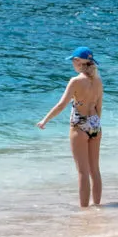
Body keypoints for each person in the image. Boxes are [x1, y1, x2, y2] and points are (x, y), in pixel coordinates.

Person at [37, 47, 103, 207]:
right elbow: (99, 107)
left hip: (79, 127)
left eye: (74, 60)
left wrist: (45, 120)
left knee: (82, 172)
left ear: (79, 62)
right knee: (95, 169)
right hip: (95, 125)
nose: (73, 63)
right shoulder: (98, 81)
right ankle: (98, 207)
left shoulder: (75, 81)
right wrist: (94, 126)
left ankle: (85, 210)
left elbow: (61, 105)